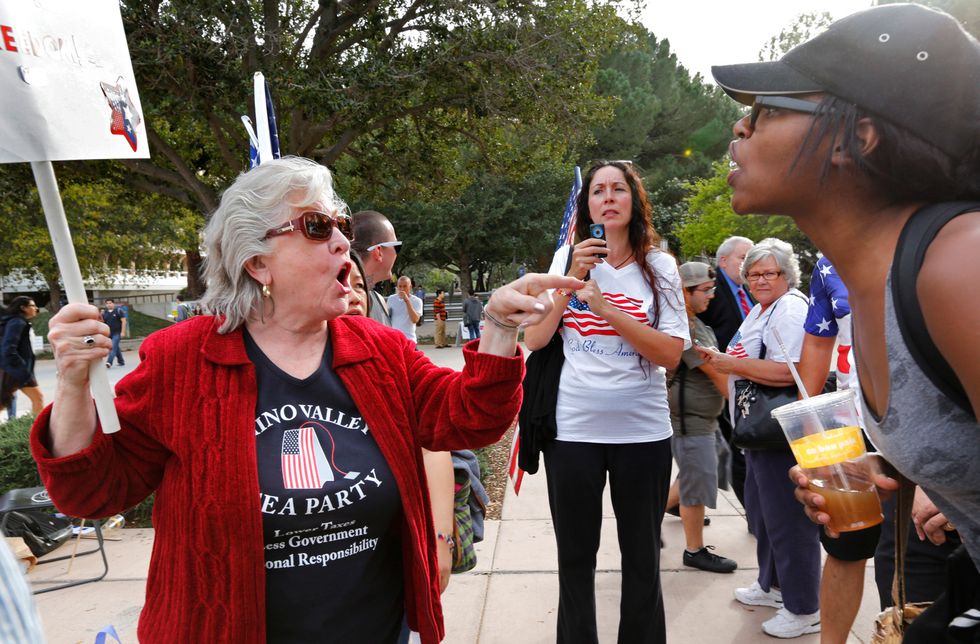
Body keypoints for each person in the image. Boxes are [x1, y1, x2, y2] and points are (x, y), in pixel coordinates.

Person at [30, 156, 583, 644]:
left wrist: (498, 329)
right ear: (257, 263)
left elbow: (470, 418)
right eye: (317, 227)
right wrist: (74, 384)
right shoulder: (182, 359)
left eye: (342, 226)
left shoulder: (379, 349)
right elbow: (92, 492)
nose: (343, 242)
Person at [711, 4, 980, 639]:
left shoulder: (959, 265)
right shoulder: (871, 284)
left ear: (856, 137)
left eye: (766, 111)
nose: (740, 128)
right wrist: (899, 468)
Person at [523, 159, 690, 643]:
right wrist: (571, 279)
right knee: (575, 558)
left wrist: (605, 309)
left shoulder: (659, 266)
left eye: (619, 189)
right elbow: (535, 339)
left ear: (634, 201)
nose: (609, 197)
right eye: (599, 191)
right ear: (587, 205)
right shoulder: (566, 258)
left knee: (642, 558)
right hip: (573, 431)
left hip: (642, 432)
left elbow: (670, 354)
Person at [697, 238, 819, 639]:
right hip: (758, 431)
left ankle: (804, 608)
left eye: (770, 273)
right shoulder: (764, 308)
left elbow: (792, 371)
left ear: (787, 274)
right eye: (753, 274)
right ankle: (773, 585)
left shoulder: (791, 308)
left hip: (781, 432)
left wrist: (731, 364)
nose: (760, 280)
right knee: (765, 515)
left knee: (788, 520)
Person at [666, 262, 737, 574]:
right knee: (696, 482)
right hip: (690, 420)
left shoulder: (694, 322)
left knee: (709, 466)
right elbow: (715, 372)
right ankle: (694, 551)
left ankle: (666, 505)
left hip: (703, 418)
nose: (712, 295)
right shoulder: (687, 329)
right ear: (685, 292)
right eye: (705, 290)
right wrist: (740, 405)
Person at [697, 236, 754, 510]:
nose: (748, 263)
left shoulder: (747, 291)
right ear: (723, 261)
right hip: (719, 382)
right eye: (743, 257)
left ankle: (672, 502)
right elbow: (695, 330)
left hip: (745, 378)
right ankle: (755, 516)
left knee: (710, 457)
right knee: (737, 452)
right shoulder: (710, 290)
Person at [351, 210, 402, 326]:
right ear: (378, 251)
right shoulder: (346, 306)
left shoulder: (378, 299)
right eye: (396, 247)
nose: (396, 254)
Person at [1, 296, 45, 418]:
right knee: (37, 398)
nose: (36, 308)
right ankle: (37, 427)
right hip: (14, 371)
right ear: (23, 308)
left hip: (16, 370)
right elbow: (8, 349)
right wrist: (22, 369)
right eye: (32, 305)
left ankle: (36, 427)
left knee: (37, 398)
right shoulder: (17, 322)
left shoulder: (18, 322)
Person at [387, 276, 422, 345]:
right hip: (395, 340)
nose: (402, 289)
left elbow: (415, 320)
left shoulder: (417, 301)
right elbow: (387, 318)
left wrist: (407, 301)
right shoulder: (391, 299)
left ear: (410, 287)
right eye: (400, 286)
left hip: (409, 340)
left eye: (405, 286)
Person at [101, 299, 127, 368]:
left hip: (117, 333)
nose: (109, 305)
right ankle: (121, 361)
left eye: (110, 303)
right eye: (107, 303)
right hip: (109, 333)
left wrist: (123, 332)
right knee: (116, 347)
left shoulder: (118, 311)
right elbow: (103, 323)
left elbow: (124, 321)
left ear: (113, 304)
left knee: (112, 347)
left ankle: (109, 362)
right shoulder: (105, 313)